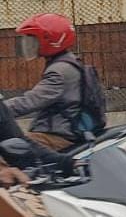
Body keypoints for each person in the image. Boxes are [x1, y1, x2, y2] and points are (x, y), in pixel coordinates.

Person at [6, 13, 85, 151]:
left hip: (58, 138)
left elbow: (30, 101)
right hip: (64, 132)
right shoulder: (70, 63)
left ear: (50, 40)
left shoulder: (59, 71)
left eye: (34, 40)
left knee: (7, 152)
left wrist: (2, 110)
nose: (29, 45)